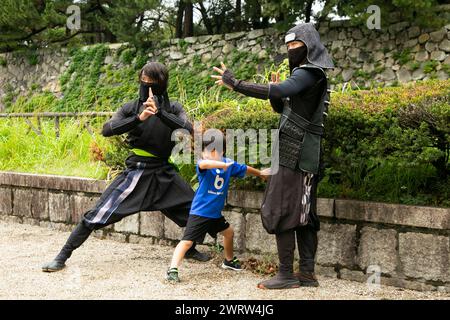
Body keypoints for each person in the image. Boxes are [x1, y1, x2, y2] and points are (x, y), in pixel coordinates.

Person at [42, 62, 209, 272]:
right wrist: (139, 118)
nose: (147, 86)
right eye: (144, 81)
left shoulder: (173, 108)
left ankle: (190, 248)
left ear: (162, 85)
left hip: (164, 172)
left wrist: (160, 114)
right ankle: (62, 256)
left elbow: (189, 128)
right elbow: (107, 130)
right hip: (137, 171)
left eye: (152, 83)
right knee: (98, 213)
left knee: (196, 209)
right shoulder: (130, 108)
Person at [211, 23, 333, 289]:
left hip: (298, 155)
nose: (291, 50)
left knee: (282, 209)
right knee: (304, 212)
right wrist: (277, 98)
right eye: (288, 46)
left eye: (295, 45)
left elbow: (279, 92)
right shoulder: (306, 76)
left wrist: (236, 83)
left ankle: (288, 274)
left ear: (310, 46)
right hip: (298, 152)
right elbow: (288, 108)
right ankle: (307, 274)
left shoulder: (310, 73)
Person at [166, 137, 269, 282]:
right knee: (187, 242)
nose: (206, 154)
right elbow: (205, 163)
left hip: (214, 214)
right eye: (205, 151)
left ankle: (228, 261)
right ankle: (172, 269)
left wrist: (260, 174)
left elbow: (245, 168)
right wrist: (220, 164)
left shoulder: (228, 164)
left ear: (222, 152)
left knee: (229, 232)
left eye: (212, 151)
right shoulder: (203, 164)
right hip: (200, 212)